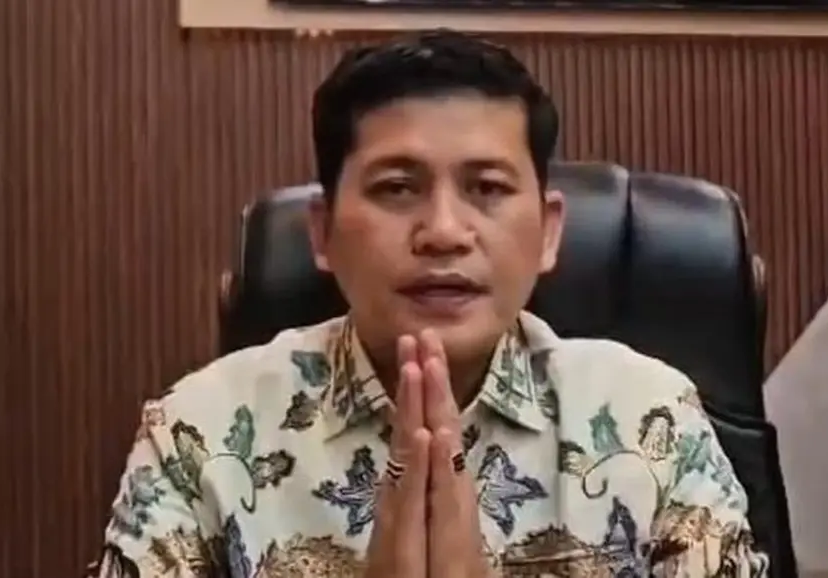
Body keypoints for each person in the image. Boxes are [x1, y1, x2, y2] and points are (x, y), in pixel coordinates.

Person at [93, 29, 769, 577]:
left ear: (548, 231)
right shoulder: (200, 434)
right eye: (396, 188)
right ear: (323, 234)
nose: (444, 232)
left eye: (487, 188)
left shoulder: (651, 423)